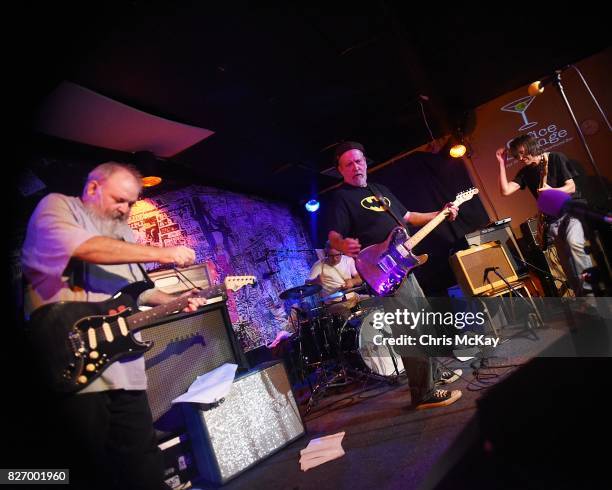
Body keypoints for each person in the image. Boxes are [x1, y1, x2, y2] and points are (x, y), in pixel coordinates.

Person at [20, 162, 206, 490]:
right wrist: (162, 253)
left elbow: (140, 290)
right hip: (73, 361)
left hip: (125, 368)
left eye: (131, 203)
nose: (125, 209)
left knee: (143, 465)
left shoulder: (123, 234)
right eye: (119, 199)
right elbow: (82, 248)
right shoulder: (59, 207)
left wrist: (177, 300)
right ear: (92, 188)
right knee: (87, 470)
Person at [323, 141, 462, 410]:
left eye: (359, 161)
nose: (356, 167)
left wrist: (441, 213)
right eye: (349, 164)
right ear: (340, 170)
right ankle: (423, 393)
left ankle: (433, 374)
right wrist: (342, 246)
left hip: (403, 264)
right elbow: (333, 236)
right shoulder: (341, 198)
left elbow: (409, 216)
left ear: (366, 162)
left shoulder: (380, 191)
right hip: (381, 268)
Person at [497, 135, 594, 296]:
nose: (520, 158)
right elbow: (505, 191)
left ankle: (592, 293)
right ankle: (584, 299)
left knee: (575, 245)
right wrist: (501, 163)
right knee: (566, 262)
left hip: (571, 212)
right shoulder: (525, 172)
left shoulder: (555, 158)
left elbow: (571, 187)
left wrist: (551, 191)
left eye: (522, 153)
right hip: (553, 219)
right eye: (516, 156)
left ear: (532, 147)